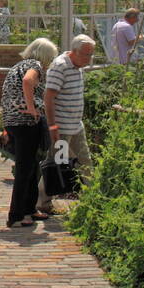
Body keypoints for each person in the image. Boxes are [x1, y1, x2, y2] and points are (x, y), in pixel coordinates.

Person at [1, 37, 58, 226]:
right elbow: (28, 81)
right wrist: (32, 107)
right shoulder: (35, 65)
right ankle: (16, 215)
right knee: (25, 169)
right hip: (24, 122)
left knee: (32, 167)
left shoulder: (20, 65)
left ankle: (29, 209)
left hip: (13, 121)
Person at [36, 35, 95, 217]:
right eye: (86, 55)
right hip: (61, 129)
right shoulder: (60, 67)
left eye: (91, 55)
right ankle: (42, 202)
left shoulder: (77, 67)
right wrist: (53, 126)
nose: (89, 59)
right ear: (74, 52)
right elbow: (49, 98)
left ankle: (93, 199)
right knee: (57, 163)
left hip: (75, 126)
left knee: (85, 160)